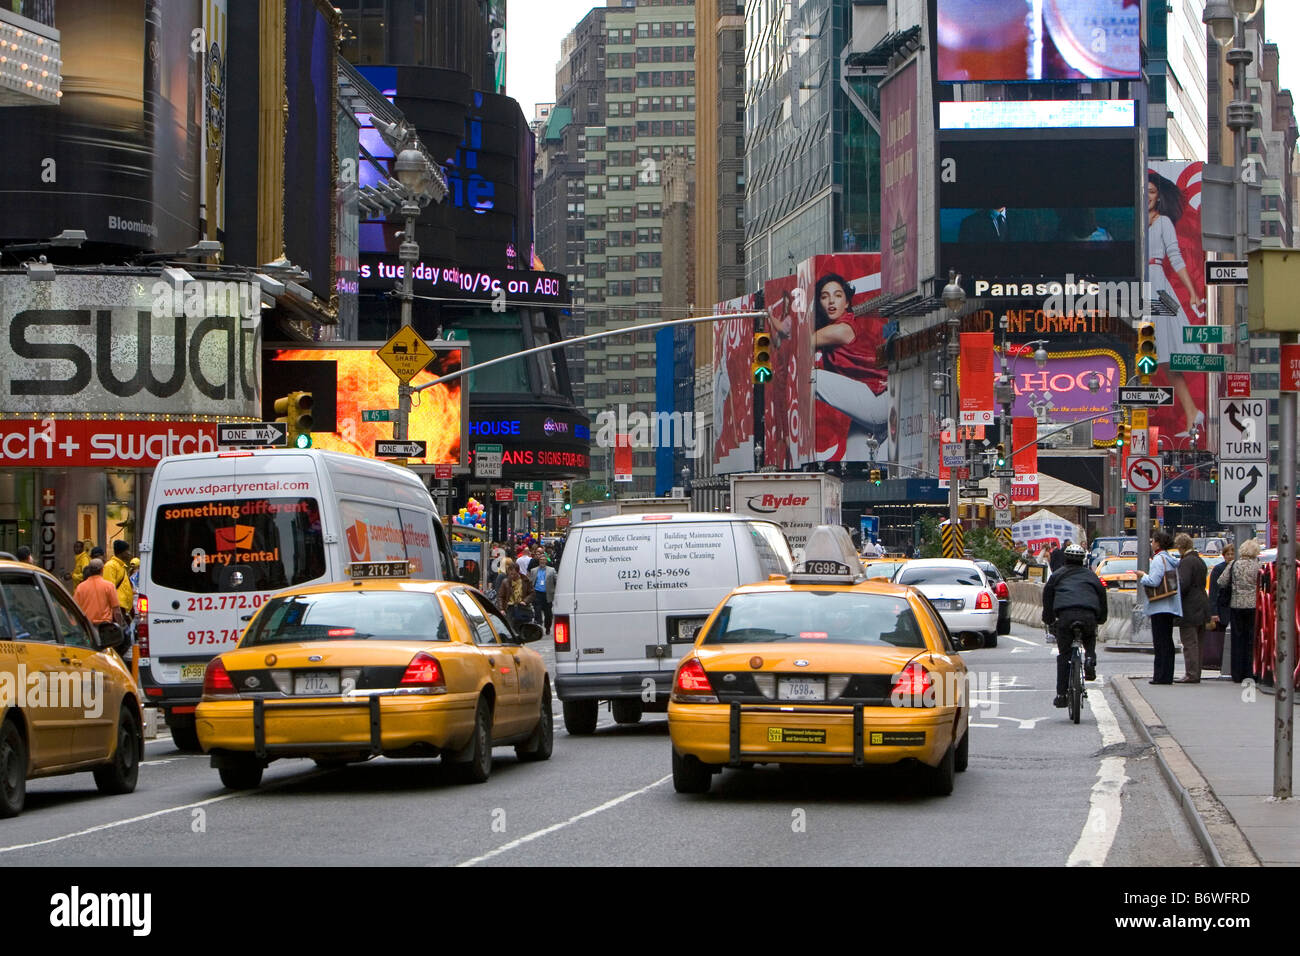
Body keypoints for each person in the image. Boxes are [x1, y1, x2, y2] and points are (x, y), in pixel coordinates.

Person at [1147, 171, 1207, 437]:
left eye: (1151, 192)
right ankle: (1190, 412)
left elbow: (1176, 257)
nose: (1147, 196)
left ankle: (1192, 412)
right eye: (1144, 191)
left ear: (1159, 197)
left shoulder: (1163, 223)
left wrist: (1193, 292)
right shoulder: (1136, 222)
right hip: (1139, 285)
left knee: (1165, 355)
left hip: (1157, 286)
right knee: (1151, 353)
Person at [807, 272, 891, 463]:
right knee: (857, 463)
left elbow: (802, 343)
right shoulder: (833, 327)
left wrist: (782, 329)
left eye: (837, 295)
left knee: (811, 378)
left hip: (879, 402)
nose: (831, 301)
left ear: (846, 303)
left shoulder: (842, 328)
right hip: (875, 408)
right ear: (819, 303)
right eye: (824, 296)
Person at [1042, 542, 1107, 708]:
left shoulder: (1057, 575)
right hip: (1088, 614)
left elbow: (1047, 598)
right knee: (1089, 637)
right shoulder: (1092, 576)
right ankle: (1090, 658)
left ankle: (1062, 694)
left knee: (1064, 655)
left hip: (1065, 615)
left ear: (1066, 558)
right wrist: (1100, 618)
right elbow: (1102, 597)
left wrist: (1048, 619)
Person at [1141, 529, 1183, 685]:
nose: (1151, 543)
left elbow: (1154, 581)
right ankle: (1167, 674)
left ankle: (1160, 676)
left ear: (1158, 543)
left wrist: (1142, 576)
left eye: (1153, 540)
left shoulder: (1159, 559)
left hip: (1160, 605)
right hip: (1169, 606)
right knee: (1167, 641)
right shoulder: (1170, 559)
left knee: (1160, 642)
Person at [1217, 539, 1262, 683]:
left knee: (1237, 640)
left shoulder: (1233, 564)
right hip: (1253, 606)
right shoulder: (1258, 566)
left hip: (1236, 605)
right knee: (1251, 640)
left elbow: (1221, 582)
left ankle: (1237, 673)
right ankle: (1250, 671)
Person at [1174, 533, 1209, 683]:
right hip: (1202, 604)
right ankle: (1197, 672)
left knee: (1189, 642)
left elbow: (1183, 584)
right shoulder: (1200, 561)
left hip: (1190, 606)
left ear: (1181, 547)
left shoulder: (1186, 562)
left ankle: (1191, 674)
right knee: (1199, 642)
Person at [73, 558, 128, 650]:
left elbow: (74, 608)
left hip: (87, 628)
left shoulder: (80, 587)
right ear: (102, 569)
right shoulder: (109, 586)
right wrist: (120, 626)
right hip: (104, 629)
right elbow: (116, 610)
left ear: (89, 570)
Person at [1208, 541, 1235, 670]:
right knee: (1219, 638)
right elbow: (1213, 592)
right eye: (1227, 554)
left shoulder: (1236, 567)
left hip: (1233, 608)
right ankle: (1218, 661)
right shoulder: (1218, 569)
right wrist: (1213, 612)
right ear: (1223, 555)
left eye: (1232, 554)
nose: (1230, 556)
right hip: (1221, 609)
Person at [496, 558, 533, 629]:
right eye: (509, 574)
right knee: (510, 627)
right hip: (510, 608)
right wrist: (501, 609)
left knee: (522, 627)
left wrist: (525, 601)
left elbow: (532, 593)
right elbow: (501, 596)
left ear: (518, 572)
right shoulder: (505, 582)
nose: (511, 576)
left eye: (513, 574)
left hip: (522, 608)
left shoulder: (525, 581)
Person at [104, 540, 134, 621]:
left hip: (124, 609)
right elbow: (109, 589)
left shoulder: (121, 566)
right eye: (127, 550)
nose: (129, 553)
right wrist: (115, 609)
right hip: (117, 609)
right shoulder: (111, 566)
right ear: (121, 552)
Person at [530, 553, 556, 632]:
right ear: (539, 561)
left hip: (547, 594)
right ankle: (539, 625)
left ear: (546, 561)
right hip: (537, 593)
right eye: (541, 560)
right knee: (537, 611)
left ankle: (547, 627)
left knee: (548, 613)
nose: (542, 561)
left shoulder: (552, 570)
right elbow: (531, 582)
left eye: (544, 560)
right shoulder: (534, 570)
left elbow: (556, 580)